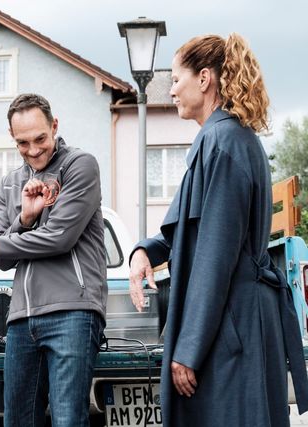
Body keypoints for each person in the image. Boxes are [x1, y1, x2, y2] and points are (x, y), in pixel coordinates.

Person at [129, 33, 308, 427]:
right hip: (234, 320)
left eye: (176, 79)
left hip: (234, 326)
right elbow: (194, 227)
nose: (171, 90)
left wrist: (189, 349)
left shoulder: (223, 142)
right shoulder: (223, 138)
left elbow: (215, 254)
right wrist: (145, 252)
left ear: (204, 78)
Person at [0, 93, 107, 427]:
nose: (33, 150)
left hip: (73, 311)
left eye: (40, 139)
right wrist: (25, 219)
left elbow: (59, 237)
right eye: (22, 143)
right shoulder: (10, 183)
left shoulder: (80, 165)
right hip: (21, 318)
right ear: (11, 136)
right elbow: (3, 260)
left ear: (54, 126)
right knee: (17, 420)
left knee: (67, 420)